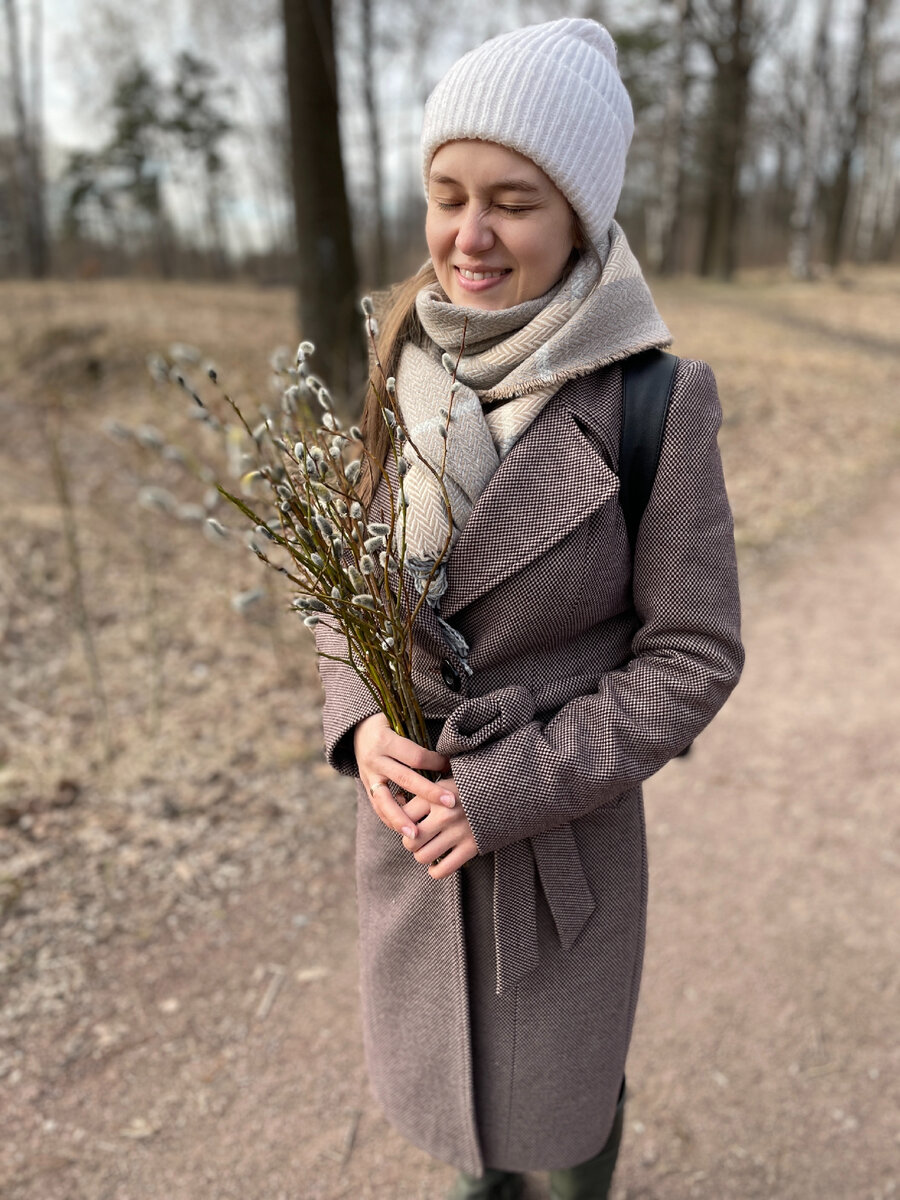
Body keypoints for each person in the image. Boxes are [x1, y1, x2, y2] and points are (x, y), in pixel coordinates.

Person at [315, 18, 744, 1200]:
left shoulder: (657, 398)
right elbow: (340, 586)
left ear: (580, 217)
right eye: (447, 194)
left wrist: (512, 785)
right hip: (412, 836)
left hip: (561, 828)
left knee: (562, 1098)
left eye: (512, 200)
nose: (469, 235)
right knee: (454, 1109)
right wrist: (360, 721)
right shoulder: (397, 351)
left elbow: (696, 653)